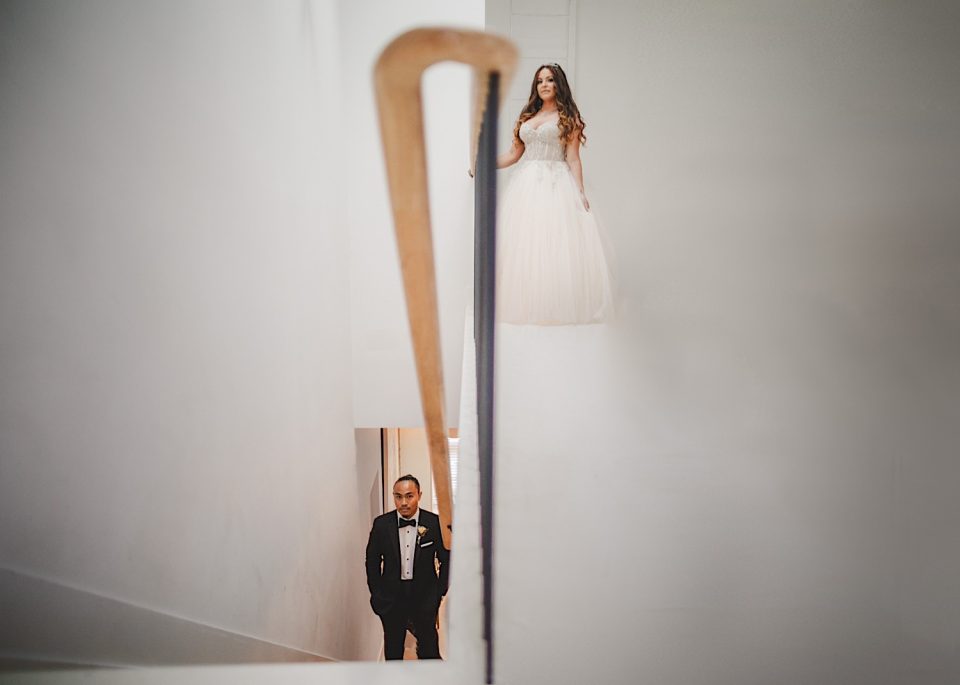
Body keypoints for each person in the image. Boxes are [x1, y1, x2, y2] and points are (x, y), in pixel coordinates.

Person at [495, 62, 615, 325]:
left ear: (559, 85)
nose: (544, 85)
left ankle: (552, 308)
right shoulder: (527, 117)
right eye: (540, 81)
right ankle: (527, 306)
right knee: (525, 246)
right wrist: (484, 163)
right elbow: (514, 155)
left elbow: (573, 158)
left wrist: (579, 191)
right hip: (526, 186)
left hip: (555, 184)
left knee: (553, 247)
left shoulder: (567, 119)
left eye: (550, 80)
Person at [365, 474, 449, 660]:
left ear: (419, 495)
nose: (403, 502)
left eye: (409, 496)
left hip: (425, 597)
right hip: (391, 598)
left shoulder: (434, 523)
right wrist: (377, 594)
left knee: (429, 650)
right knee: (393, 651)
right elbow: (372, 561)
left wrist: (439, 592)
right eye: (398, 496)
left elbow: (447, 559)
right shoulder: (381, 524)